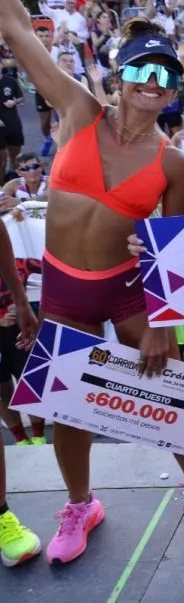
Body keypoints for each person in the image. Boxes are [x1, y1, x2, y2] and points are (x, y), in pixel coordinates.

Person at [0, 0, 184, 562]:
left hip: (127, 293)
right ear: (121, 76)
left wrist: (162, 326)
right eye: (143, 70)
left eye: (165, 76)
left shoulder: (173, 164)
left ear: (173, 93)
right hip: (64, 291)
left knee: (169, 393)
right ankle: (81, 504)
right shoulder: (77, 109)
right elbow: (16, 29)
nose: (152, 83)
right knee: (67, 407)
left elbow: (170, 253)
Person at [0, 217, 40, 567]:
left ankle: (1, 517)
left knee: (27, 384)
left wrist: (21, 300)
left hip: (13, 332)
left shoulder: (23, 263)